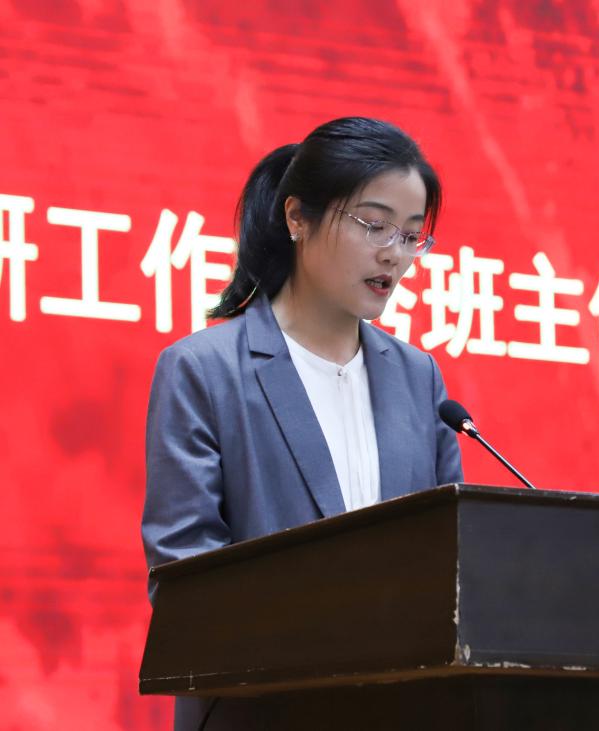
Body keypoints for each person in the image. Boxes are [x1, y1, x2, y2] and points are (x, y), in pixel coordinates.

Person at [141, 117, 464, 730]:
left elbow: (452, 562)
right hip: (259, 712)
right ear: (297, 217)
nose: (394, 253)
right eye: (373, 224)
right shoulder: (205, 370)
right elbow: (185, 582)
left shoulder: (419, 378)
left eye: (410, 235)